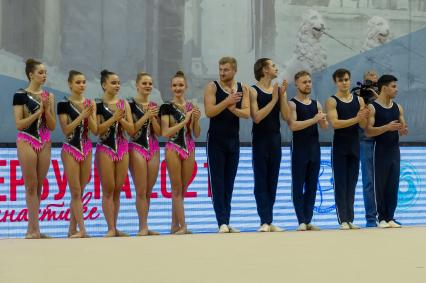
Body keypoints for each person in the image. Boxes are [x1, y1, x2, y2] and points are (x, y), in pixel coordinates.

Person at [204, 57, 250, 233]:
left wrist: (234, 109)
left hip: (233, 140)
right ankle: (221, 222)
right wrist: (227, 101)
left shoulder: (243, 88)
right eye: (220, 69)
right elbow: (209, 112)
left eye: (226, 70)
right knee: (218, 182)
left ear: (234, 70)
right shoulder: (212, 87)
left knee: (229, 182)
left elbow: (246, 113)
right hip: (216, 140)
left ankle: (227, 221)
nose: (222, 73)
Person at [13, 58, 56, 239]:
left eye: (45, 72)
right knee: (30, 185)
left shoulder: (49, 96)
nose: (44, 75)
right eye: (40, 72)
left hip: (44, 140)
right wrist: (38, 113)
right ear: (31, 74)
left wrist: (46, 110)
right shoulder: (20, 95)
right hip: (26, 139)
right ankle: (33, 230)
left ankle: (33, 229)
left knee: (39, 186)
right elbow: (19, 124)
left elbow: (52, 126)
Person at [249, 58, 290, 232]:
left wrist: (282, 97)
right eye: (273, 65)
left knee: (272, 180)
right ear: (265, 70)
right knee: (261, 180)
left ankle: (269, 219)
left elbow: (286, 117)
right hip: (260, 139)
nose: (276, 67)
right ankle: (263, 220)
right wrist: (273, 99)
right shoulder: (253, 90)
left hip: (275, 138)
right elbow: (256, 117)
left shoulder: (279, 90)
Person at [325, 68, 369, 230]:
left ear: (350, 80)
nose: (344, 82)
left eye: (346, 79)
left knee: (352, 182)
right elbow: (335, 124)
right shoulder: (332, 101)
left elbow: (363, 125)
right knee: (341, 183)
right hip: (340, 145)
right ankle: (342, 219)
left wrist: (363, 118)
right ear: (335, 82)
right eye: (341, 80)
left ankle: (350, 218)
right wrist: (356, 118)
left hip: (355, 144)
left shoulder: (359, 101)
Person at [160, 71, 201, 235]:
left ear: (186, 87)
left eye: (181, 85)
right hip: (173, 148)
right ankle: (183, 225)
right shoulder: (166, 107)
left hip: (189, 147)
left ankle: (174, 225)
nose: (178, 88)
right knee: (176, 189)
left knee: (182, 190)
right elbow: (165, 133)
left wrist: (195, 120)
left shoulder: (192, 107)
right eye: (175, 85)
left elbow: (196, 133)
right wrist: (184, 121)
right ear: (171, 87)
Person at [58, 70, 97, 238]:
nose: (82, 85)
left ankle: (71, 229)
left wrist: (90, 115)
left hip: (87, 148)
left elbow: (95, 131)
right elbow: (66, 130)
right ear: (70, 84)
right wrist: (82, 115)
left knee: (80, 191)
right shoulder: (63, 104)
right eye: (78, 82)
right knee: (75, 191)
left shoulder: (90, 103)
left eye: (83, 82)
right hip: (70, 148)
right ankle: (82, 229)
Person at [287, 70, 328, 231]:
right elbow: (294, 126)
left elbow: (324, 127)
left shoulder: (316, 104)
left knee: (312, 185)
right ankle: (301, 220)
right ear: (297, 84)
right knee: (298, 185)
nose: (308, 84)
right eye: (304, 82)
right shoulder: (292, 104)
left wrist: (323, 120)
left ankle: (308, 218)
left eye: (309, 81)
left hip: (314, 148)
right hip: (299, 149)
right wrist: (314, 119)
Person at [365, 74, 407, 228]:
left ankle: (390, 217)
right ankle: (381, 217)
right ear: (384, 88)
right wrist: (386, 128)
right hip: (380, 150)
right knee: (380, 184)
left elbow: (403, 127)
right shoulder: (372, 107)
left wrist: (403, 129)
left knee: (393, 184)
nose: (396, 89)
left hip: (394, 151)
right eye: (393, 86)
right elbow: (368, 131)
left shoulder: (398, 107)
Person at [95, 70, 133, 237]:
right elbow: (96, 130)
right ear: (104, 85)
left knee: (118, 189)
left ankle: (115, 227)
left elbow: (131, 129)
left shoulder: (124, 104)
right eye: (113, 82)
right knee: (108, 189)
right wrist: (114, 118)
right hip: (105, 147)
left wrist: (121, 119)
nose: (117, 85)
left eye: (118, 83)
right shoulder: (97, 105)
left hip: (122, 147)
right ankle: (110, 227)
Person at [127, 72, 161, 236]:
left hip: (153, 147)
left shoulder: (154, 105)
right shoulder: (130, 105)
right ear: (137, 85)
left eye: (150, 83)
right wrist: (146, 115)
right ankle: (142, 226)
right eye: (144, 83)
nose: (148, 86)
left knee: (148, 190)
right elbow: (131, 130)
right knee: (140, 190)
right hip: (136, 146)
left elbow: (159, 132)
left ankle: (146, 224)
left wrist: (153, 117)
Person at [354, 70, 379, 227]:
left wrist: (376, 96)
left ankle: (386, 216)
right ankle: (371, 219)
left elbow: (391, 110)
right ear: (363, 82)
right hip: (365, 140)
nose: (371, 86)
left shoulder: (382, 96)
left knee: (384, 181)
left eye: (375, 83)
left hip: (382, 141)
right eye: (369, 82)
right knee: (368, 181)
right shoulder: (357, 96)